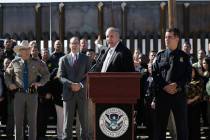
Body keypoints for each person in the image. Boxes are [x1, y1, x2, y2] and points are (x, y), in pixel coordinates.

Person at [4, 40, 50, 140]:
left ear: (29, 50)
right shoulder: (14, 62)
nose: (25, 51)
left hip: (32, 95)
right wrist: (10, 84)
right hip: (18, 95)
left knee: (32, 122)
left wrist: (40, 83)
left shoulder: (37, 62)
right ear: (20, 51)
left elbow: (46, 74)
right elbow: (7, 74)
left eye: (27, 49)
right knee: (18, 122)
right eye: (23, 49)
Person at [152, 28, 192, 140]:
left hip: (178, 95)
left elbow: (188, 76)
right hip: (162, 96)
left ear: (177, 38)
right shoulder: (160, 56)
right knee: (160, 127)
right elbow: (155, 74)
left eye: (169, 37)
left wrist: (177, 85)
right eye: (165, 37)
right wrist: (164, 86)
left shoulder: (184, 57)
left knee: (182, 127)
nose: (166, 39)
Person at [57, 37, 91, 140]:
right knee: (67, 122)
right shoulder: (63, 59)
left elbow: (89, 76)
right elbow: (60, 76)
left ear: (79, 45)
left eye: (76, 43)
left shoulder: (86, 58)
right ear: (69, 45)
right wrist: (71, 85)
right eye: (72, 43)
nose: (74, 45)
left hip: (82, 94)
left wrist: (80, 85)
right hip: (68, 93)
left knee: (84, 122)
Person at [187, 67, 203, 140]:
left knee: (195, 123)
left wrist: (191, 100)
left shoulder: (199, 81)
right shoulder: (186, 80)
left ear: (195, 72)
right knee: (188, 123)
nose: (191, 73)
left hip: (195, 105)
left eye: (192, 71)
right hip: (186, 106)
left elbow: (200, 94)